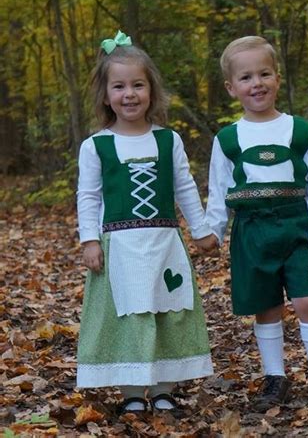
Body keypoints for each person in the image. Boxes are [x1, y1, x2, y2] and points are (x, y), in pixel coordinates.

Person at [76, 30, 217, 415]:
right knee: (131, 314)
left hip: (165, 241)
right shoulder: (97, 145)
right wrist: (89, 240)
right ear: (106, 96)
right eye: (119, 86)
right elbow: (88, 196)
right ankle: (132, 392)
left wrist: (201, 230)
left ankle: (164, 387)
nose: (129, 94)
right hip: (119, 247)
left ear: (151, 91)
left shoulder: (168, 140)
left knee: (169, 311)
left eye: (138, 85)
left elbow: (185, 187)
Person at [205, 35, 308, 411]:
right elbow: (218, 190)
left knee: (307, 300)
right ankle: (275, 377)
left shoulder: (299, 130)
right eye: (247, 77)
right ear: (231, 87)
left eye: (264, 74)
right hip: (252, 231)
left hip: (297, 228)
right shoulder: (228, 139)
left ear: (277, 78)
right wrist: (211, 232)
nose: (257, 84)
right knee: (266, 306)